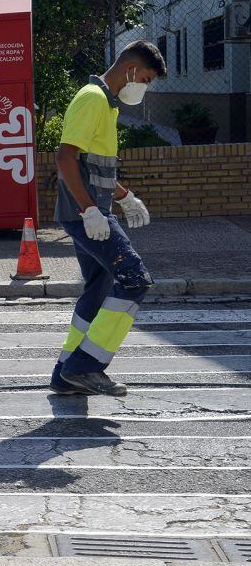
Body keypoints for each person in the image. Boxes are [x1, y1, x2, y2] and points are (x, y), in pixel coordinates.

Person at [50, 40, 165, 397]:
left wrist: (124, 196)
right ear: (130, 70)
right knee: (134, 280)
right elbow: (65, 158)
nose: (143, 88)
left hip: (90, 213)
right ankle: (85, 366)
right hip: (86, 214)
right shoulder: (93, 99)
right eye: (145, 79)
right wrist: (89, 211)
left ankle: (65, 373)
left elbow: (93, 166)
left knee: (99, 287)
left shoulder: (105, 103)